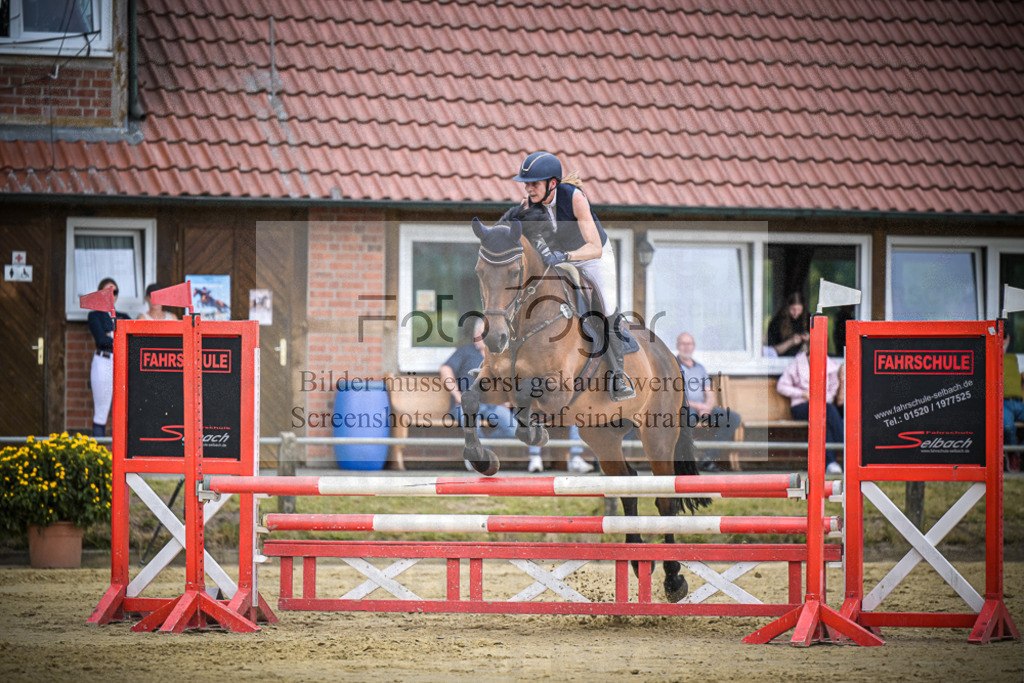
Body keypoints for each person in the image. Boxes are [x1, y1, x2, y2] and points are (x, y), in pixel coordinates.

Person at [511, 151, 635, 402]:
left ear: (552, 184)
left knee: (606, 306)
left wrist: (565, 256)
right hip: (561, 257)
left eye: (534, 183)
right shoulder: (530, 205)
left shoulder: (575, 198)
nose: (529, 189)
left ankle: (618, 375)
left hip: (593, 257)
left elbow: (594, 246)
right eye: (527, 184)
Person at [440, 319, 519, 471]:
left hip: (492, 406)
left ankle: (478, 451)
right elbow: (445, 369)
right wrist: (457, 395)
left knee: (513, 428)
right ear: (476, 335)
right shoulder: (465, 351)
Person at [675, 332, 740, 472]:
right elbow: (676, 395)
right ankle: (684, 461)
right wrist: (699, 406)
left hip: (704, 408)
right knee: (686, 418)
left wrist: (708, 406)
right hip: (685, 408)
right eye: (683, 344)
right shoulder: (673, 366)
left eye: (689, 344)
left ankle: (707, 459)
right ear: (677, 346)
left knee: (733, 418)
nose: (686, 347)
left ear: (694, 346)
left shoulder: (700, 368)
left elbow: (709, 391)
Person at [776, 345, 844, 474]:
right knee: (825, 411)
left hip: (823, 406)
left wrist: (821, 398)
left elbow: (832, 389)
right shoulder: (796, 364)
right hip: (801, 407)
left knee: (822, 419)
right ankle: (845, 445)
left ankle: (831, 462)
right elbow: (781, 386)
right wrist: (802, 394)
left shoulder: (829, 364)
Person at [87, 278, 131, 437]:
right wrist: (116, 337)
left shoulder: (123, 315)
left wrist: (111, 336)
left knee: (125, 411)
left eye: (115, 292)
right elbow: (102, 341)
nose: (112, 296)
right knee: (101, 411)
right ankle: (99, 456)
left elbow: (131, 339)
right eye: (108, 292)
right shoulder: (94, 315)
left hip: (122, 362)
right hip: (104, 361)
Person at [765, 292, 810, 357]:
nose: (796, 313)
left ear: (803, 307)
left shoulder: (808, 319)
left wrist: (809, 339)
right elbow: (771, 351)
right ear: (787, 307)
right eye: (793, 309)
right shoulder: (777, 322)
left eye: (799, 309)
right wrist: (791, 342)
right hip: (782, 361)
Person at [1003, 332, 1024, 472]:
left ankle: (1019, 452)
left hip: (1019, 403)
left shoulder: (1016, 358)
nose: (1003, 340)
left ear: (1009, 338)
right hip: (1003, 403)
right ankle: (1013, 455)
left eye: (1005, 336)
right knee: (1008, 427)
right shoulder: (990, 356)